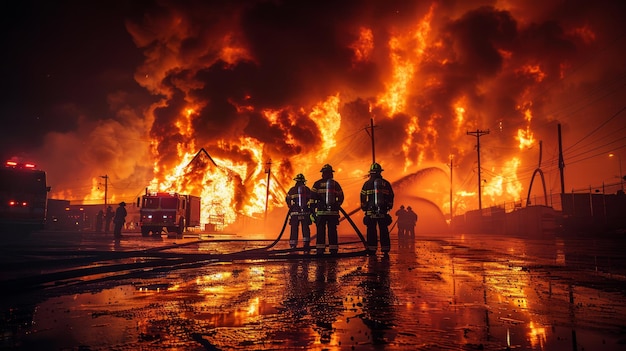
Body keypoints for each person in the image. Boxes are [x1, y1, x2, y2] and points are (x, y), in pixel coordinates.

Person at [360, 162, 394, 254]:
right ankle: (385, 248)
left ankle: (372, 248)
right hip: (383, 212)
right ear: (380, 172)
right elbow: (391, 196)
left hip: (370, 212)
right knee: (384, 230)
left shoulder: (366, 184)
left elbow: (362, 197)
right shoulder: (386, 183)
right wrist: (388, 206)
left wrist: (364, 207)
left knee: (371, 230)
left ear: (371, 172)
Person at [311, 164, 344, 255]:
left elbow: (312, 198)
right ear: (331, 174)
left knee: (320, 231)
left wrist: (313, 211)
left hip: (321, 213)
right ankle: (333, 250)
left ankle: (320, 250)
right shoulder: (335, 184)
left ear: (322, 173)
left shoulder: (317, 184)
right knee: (332, 230)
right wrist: (337, 205)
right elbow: (341, 197)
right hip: (333, 213)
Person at [285, 173, 313, 250]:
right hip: (305, 212)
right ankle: (306, 244)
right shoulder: (307, 189)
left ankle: (293, 245)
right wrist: (310, 209)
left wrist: (290, 206)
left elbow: (287, 199)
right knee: (305, 228)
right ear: (304, 181)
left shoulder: (292, 190)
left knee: (294, 228)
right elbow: (311, 199)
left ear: (296, 181)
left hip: (295, 212)